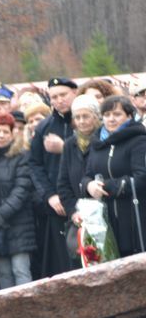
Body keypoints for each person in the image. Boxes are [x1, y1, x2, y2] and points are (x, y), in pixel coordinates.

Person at [80, 95, 146, 256]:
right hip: (105, 220)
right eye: (107, 115)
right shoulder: (97, 143)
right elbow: (86, 176)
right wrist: (89, 186)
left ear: (129, 116)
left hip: (133, 216)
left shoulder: (138, 140)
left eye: (117, 114)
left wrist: (106, 187)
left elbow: (141, 177)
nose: (111, 119)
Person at [29, 77, 77, 278]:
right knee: (61, 264)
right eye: (54, 97)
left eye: (63, 95)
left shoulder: (85, 120)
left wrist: (65, 147)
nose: (59, 100)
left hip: (82, 198)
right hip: (56, 203)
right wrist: (49, 195)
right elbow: (34, 164)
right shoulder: (43, 127)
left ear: (74, 93)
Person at [0, 113, 36, 288]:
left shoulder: (22, 156)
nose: (1, 135)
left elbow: (22, 189)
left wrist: (3, 213)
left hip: (19, 223)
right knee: (3, 274)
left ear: (13, 133)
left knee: (21, 271)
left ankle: (27, 313)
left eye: (5, 131)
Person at [58, 94, 102, 268]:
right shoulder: (70, 145)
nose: (81, 121)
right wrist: (73, 211)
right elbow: (63, 183)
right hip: (78, 215)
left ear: (96, 116)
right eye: (77, 117)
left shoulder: (103, 140)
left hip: (102, 212)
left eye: (86, 116)